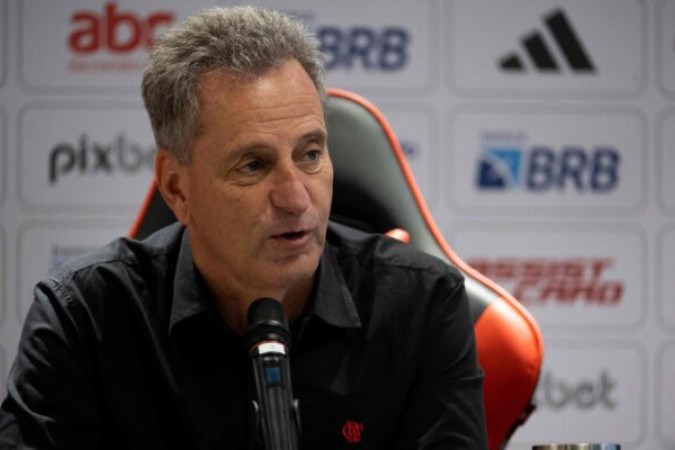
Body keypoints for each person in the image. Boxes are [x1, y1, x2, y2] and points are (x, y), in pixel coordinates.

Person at [0, 6, 487, 449]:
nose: (297, 199)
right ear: (177, 189)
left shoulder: (421, 306)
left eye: (310, 154)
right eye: (253, 166)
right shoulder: (85, 318)